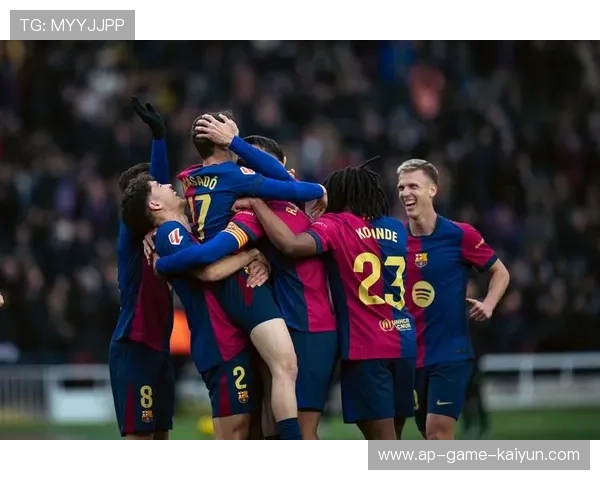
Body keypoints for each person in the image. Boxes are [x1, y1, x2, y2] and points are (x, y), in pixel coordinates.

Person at [152, 136, 338, 440]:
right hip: (280, 316)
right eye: (246, 164)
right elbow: (209, 264)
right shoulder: (251, 213)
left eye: (256, 163)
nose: (251, 170)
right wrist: (252, 254)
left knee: (295, 417)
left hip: (311, 326)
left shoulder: (286, 211)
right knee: (266, 411)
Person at [234, 161, 417, 440]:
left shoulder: (336, 225)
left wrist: (258, 204)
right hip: (404, 340)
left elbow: (291, 245)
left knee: (382, 443)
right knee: (394, 436)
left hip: (367, 346)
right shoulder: (397, 228)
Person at [121, 174, 270, 439]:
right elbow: (208, 272)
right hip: (220, 341)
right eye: (159, 186)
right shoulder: (170, 231)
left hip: (227, 337)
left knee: (249, 431)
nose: (169, 185)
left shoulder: (182, 230)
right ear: (155, 204)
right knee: (235, 434)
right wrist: (252, 254)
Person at [396, 158, 510, 440]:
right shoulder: (394, 240)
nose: (405, 193)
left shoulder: (460, 235)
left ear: (432, 190)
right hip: (411, 355)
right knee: (427, 434)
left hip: (450, 353)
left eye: (413, 186)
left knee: (438, 433)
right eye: (401, 187)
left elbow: (500, 272)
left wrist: (489, 303)